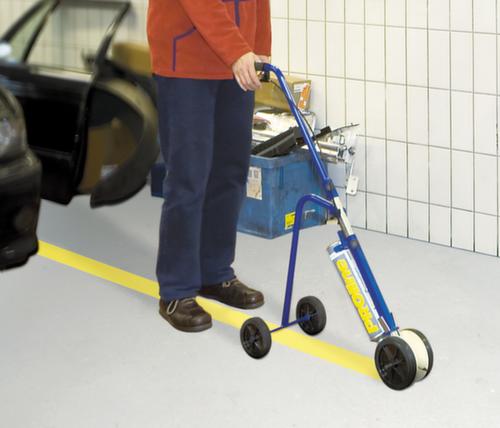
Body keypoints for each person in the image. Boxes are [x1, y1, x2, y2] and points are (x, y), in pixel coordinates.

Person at [147, 0, 272, 332]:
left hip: (236, 66)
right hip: (185, 62)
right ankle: (176, 290)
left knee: (230, 172)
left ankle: (215, 273)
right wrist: (237, 50)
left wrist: (259, 44)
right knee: (188, 178)